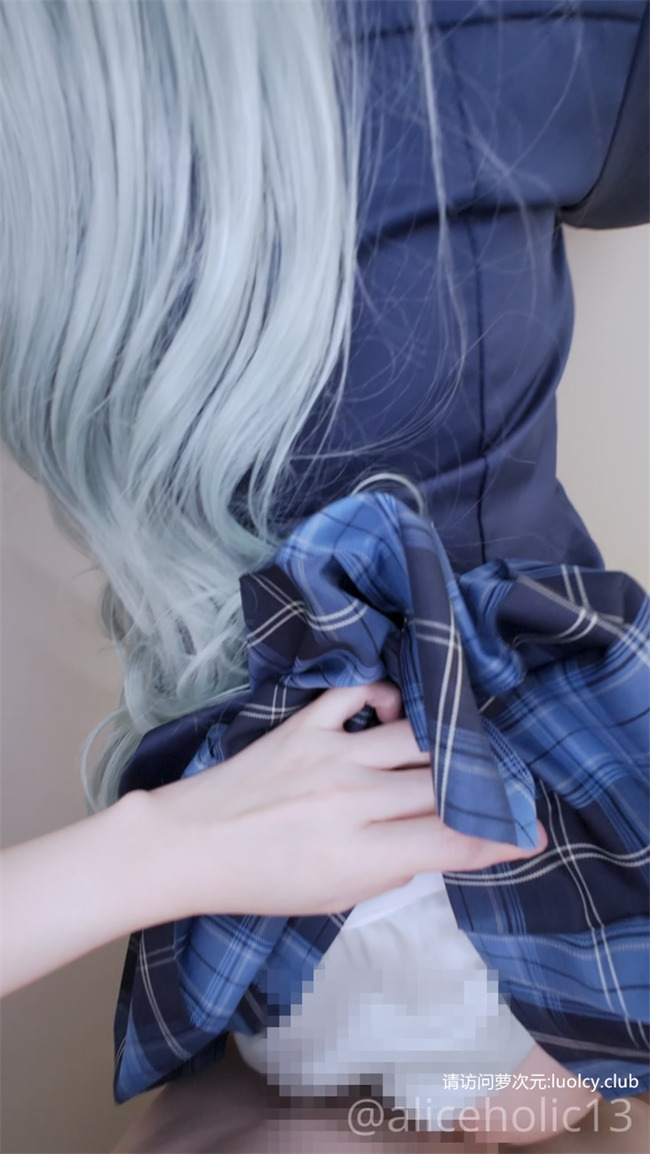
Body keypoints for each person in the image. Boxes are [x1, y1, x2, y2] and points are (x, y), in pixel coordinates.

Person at [1, 0, 648, 1150]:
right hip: (492, 872)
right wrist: (170, 845)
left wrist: (163, 849)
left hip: (287, 922)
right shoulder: (474, 35)